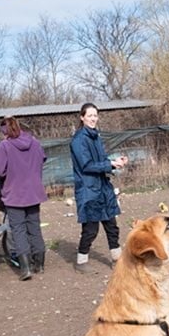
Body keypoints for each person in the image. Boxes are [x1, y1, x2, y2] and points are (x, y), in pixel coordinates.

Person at [70, 103, 128, 273]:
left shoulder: (96, 137)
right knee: (90, 229)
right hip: (88, 190)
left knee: (112, 225)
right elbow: (86, 165)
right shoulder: (79, 140)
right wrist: (109, 164)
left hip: (103, 187)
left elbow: (102, 159)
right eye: (90, 116)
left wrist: (115, 163)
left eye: (95, 115)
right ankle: (81, 261)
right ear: (82, 117)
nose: (94, 118)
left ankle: (117, 259)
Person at [0, 116, 47, 280]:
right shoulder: (35, 142)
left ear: (4, 131)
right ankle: (40, 265)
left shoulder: (4, 146)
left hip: (14, 194)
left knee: (18, 230)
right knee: (34, 228)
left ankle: (26, 268)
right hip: (34, 192)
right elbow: (42, 159)